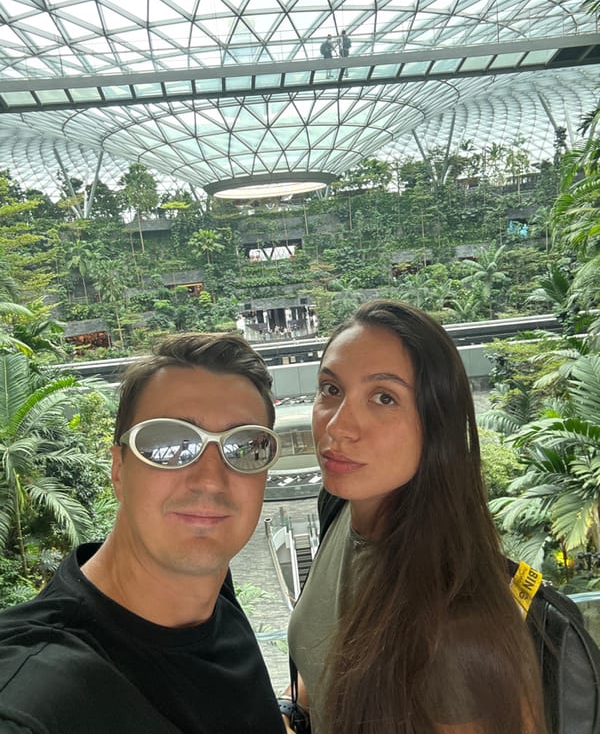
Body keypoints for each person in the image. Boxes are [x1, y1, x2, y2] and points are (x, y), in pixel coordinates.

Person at [0, 333, 286, 734]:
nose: (210, 480)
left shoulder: (211, 590)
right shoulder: (39, 688)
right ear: (119, 471)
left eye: (245, 446)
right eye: (168, 443)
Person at [284, 300, 547, 734]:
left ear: (436, 423)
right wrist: (291, 709)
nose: (337, 426)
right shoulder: (340, 509)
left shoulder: (455, 628)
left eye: (384, 398)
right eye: (331, 389)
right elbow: (325, 652)